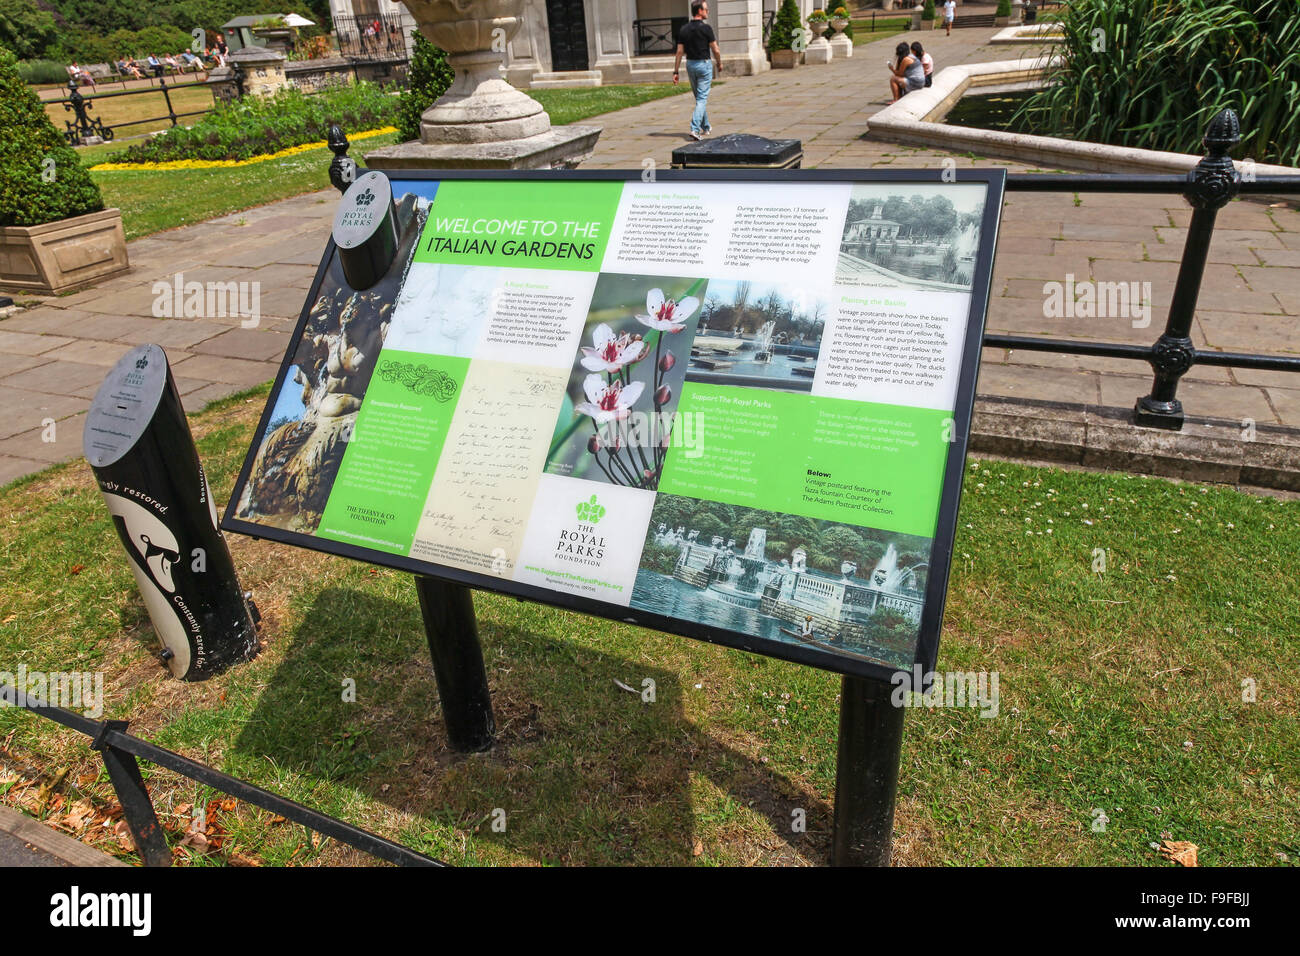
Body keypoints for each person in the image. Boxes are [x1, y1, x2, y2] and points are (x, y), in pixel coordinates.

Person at [673, 1, 723, 141]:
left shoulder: (683, 29)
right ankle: (695, 129)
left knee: (699, 98)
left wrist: (675, 72)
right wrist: (719, 63)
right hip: (704, 65)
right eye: (706, 9)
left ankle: (706, 126)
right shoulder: (706, 28)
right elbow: (715, 49)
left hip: (690, 65)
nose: (708, 12)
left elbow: (679, 52)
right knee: (701, 98)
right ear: (699, 11)